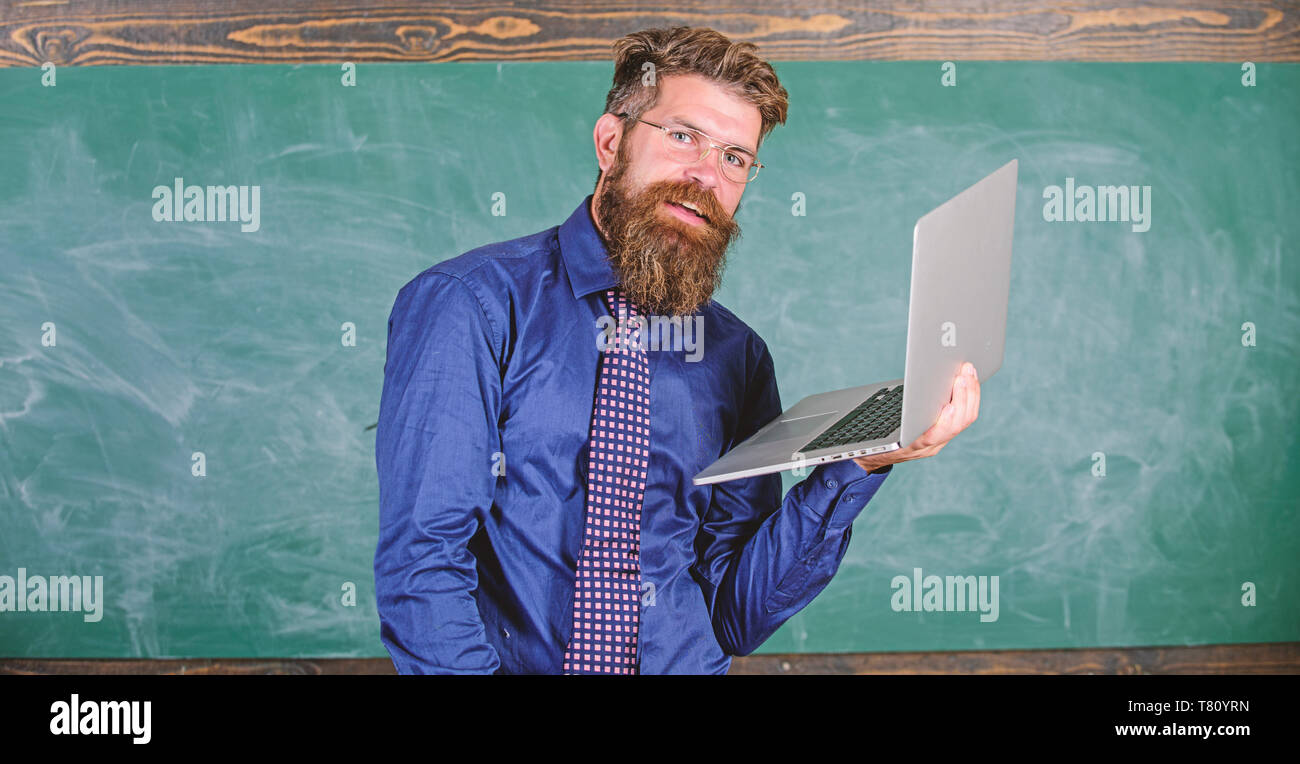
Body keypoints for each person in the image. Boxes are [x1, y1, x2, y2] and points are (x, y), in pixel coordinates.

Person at [374, 26, 980, 674]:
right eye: (683, 136)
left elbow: (737, 616)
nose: (706, 176)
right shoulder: (472, 305)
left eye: (735, 157)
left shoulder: (736, 357)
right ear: (612, 142)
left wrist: (860, 462)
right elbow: (423, 567)